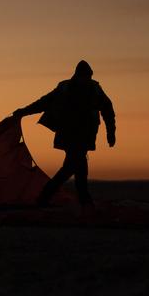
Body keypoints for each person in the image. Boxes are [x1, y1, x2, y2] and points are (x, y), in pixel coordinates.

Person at [13, 60, 116, 208]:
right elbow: (44, 102)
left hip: (85, 135)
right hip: (70, 134)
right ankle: (55, 198)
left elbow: (107, 109)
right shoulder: (65, 88)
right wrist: (23, 111)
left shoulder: (94, 89)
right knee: (73, 167)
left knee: (76, 167)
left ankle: (73, 200)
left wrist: (111, 132)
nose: (86, 79)